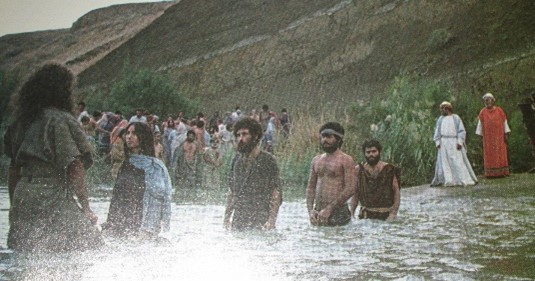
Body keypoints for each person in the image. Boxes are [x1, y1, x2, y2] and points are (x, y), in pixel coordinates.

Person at [3, 63, 102, 252]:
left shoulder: (21, 121)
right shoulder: (59, 120)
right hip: (51, 194)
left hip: (23, 196)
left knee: (25, 251)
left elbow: (14, 170)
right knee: (92, 247)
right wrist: (86, 208)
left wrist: (13, 205)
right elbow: (75, 166)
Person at [104, 122, 172, 238]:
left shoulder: (154, 166)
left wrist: (148, 228)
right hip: (124, 220)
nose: (129, 136)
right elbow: (117, 197)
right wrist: (111, 224)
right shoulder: (125, 164)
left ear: (143, 137)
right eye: (128, 133)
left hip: (144, 222)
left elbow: (159, 196)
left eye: (134, 133)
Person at [224, 117, 282, 231]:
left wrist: (271, 221)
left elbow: (276, 193)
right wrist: (226, 218)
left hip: (261, 220)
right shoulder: (236, 160)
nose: (241, 138)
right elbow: (231, 191)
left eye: (245, 134)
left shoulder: (268, 160)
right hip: (239, 220)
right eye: (238, 135)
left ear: (255, 136)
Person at [306, 122, 356, 226]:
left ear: (338, 139)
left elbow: (351, 188)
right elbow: (310, 188)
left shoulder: (346, 160)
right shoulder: (316, 160)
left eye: (329, 137)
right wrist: (310, 210)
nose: (325, 140)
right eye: (323, 136)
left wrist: (329, 209)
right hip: (318, 212)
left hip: (338, 212)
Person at [350, 139, 400, 221]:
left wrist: (393, 213)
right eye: (368, 152)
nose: (371, 154)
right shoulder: (359, 169)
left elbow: (396, 192)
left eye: (374, 151)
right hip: (365, 216)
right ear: (364, 153)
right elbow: (355, 193)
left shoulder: (389, 169)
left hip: (386, 214)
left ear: (379, 152)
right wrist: (352, 214)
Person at [431, 102, 478, 186]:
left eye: (443, 109)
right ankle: (449, 180)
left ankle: (461, 180)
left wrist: (460, 142)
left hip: (454, 142)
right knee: (445, 162)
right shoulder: (440, 119)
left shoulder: (456, 118)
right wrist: (437, 142)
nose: (441, 111)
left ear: (447, 109)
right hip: (443, 143)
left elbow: (462, 131)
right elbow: (437, 132)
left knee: (457, 161)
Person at [476, 93, 511, 178]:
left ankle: (502, 172)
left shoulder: (499, 110)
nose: (488, 102)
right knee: (489, 154)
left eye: (489, 100)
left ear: (493, 101)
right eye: (486, 100)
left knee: (500, 152)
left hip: (499, 136)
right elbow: (480, 125)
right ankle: (490, 173)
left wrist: (505, 133)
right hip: (488, 138)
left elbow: (504, 122)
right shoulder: (483, 112)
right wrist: (481, 136)